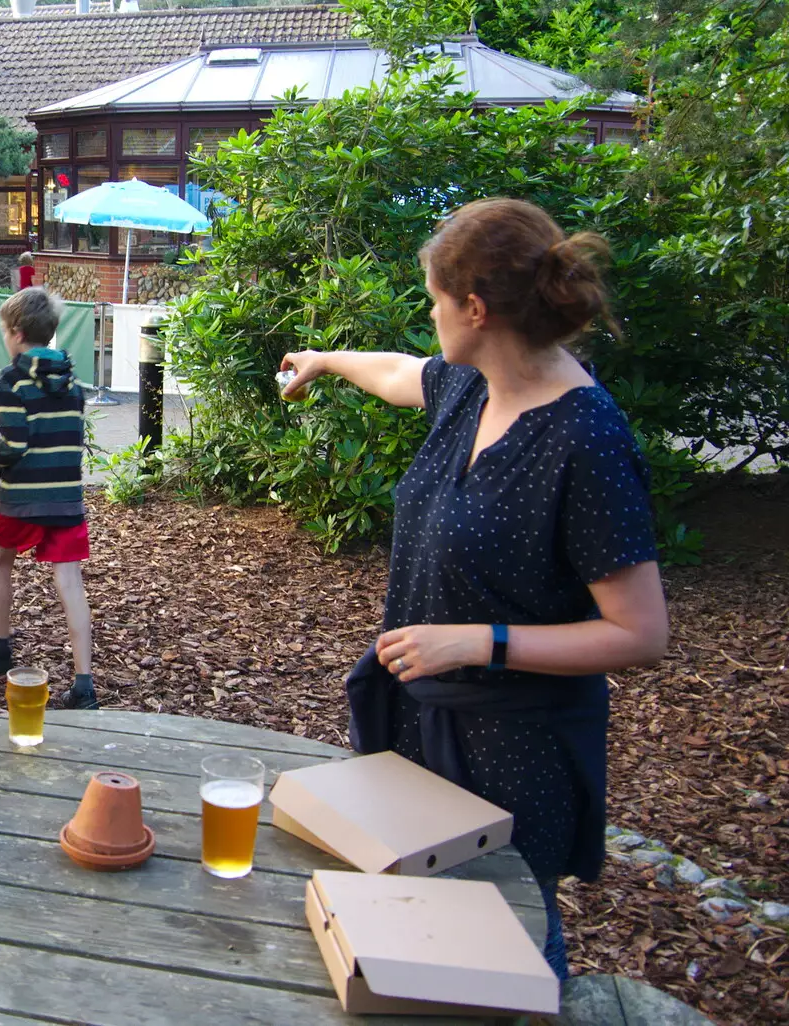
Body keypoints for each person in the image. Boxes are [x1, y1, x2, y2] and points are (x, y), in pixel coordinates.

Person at [280, 197, 669, 980]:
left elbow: (640, 632)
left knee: (508, 944)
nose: (429, 314)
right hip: (423, 724)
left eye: (434, 298)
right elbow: (395, 372)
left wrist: (480, 641)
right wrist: (325, 360)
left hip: (515, 751)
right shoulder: (470, 386)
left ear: (476, 308)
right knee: (420, 939)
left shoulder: (583, 438)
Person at [0, 287, 97, 710]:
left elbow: (15, 441)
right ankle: (83, 684)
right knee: (70, 581)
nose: (4, 338)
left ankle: (0, 645)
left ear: (17, 333)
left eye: (4, 331)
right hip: (65, 499)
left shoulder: (11, 379)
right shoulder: (73, 379)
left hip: (23, 497)